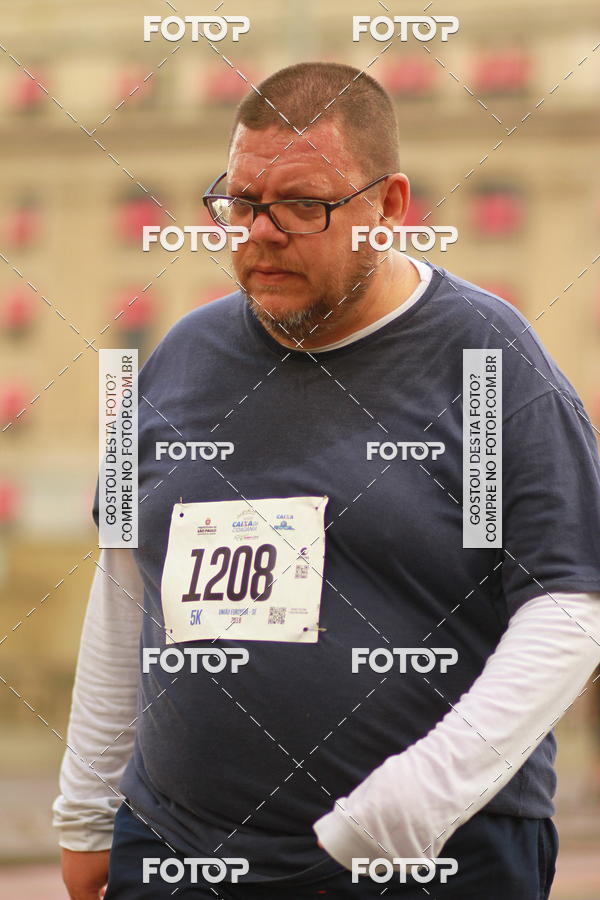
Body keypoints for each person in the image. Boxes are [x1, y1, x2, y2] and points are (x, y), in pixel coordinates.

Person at [53, 62, 600, 899]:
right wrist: (88, 812)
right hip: (176, 853)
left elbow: (566, 604)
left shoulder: (486, 366)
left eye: (304, 205)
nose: (261, 231)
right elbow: (124, 583)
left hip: (426, 860)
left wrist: (412, 802)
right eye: (239, 203)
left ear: (387, 207)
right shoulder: (174, 364)